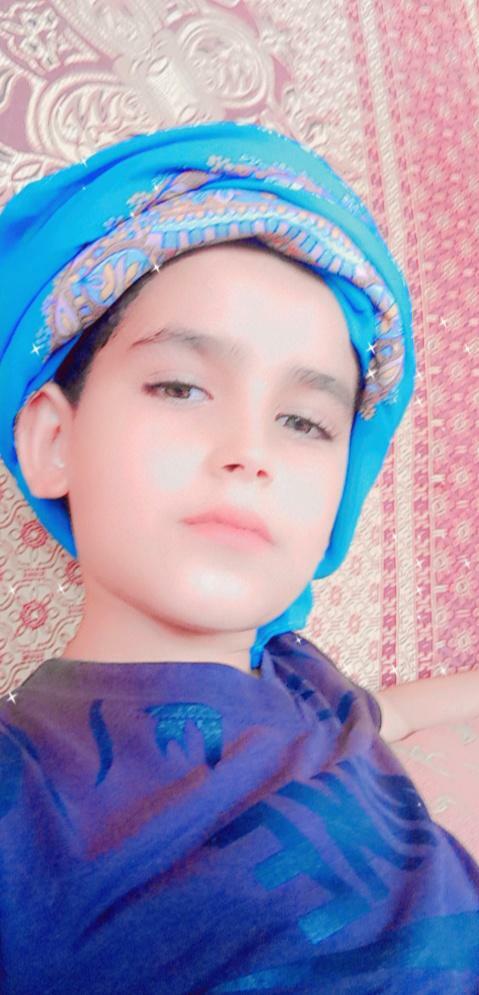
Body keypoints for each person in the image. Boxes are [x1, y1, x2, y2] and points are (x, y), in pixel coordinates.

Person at [0, 120, 477, 994]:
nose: (249, 451)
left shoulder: (300, 677)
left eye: (303, 421)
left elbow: (392, 715)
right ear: (52, 441)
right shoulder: (24, 791)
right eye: (181, 387)